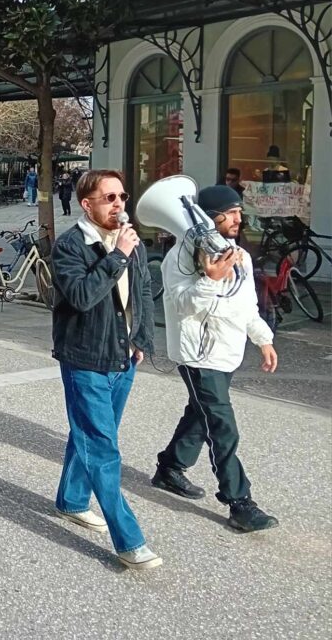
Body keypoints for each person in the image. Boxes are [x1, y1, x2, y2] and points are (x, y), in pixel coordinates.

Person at [153, 184, 279, 532]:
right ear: (212, 217)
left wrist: (263, 340)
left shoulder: (239, 253)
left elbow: (245, 303)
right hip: (197, 355)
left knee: (202, 413)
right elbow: (180, 305)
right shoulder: (178, 256)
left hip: (227, 352)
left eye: (240, 211)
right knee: (222, 425)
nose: (240, 218)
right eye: (232, 212)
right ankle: (239, 502)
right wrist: (210, 279)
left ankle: (169, 467)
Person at [51, 169, 159, 570]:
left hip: (123, 356)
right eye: (109, 198)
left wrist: (142, 338)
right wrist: (117, 256)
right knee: (102, 446)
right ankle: (129, 540)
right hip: (84, 359)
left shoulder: (132, 242)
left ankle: (72, 500)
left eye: (122, 196)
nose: (119, 205)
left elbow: (144, 291)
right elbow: (80, 297)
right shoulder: (70, 246)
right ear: (88, 204)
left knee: (92, 433)